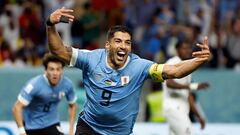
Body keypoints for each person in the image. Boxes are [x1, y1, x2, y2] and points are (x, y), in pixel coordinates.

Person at [46, 7, 210, 135]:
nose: (123, 46)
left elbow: (174, 71)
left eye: (127, 42)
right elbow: (59, 51)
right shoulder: (91, 59)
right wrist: (50, 25)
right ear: (108, 45)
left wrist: (199, 60)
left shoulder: (139, 66)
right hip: (90, 128)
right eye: (118, 41)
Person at [12, 53, 77, 135]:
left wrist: (71, 129)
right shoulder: (34, 85)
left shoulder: (67, 84)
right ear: (46, 71)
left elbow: (73, 105)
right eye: (52, 69)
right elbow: (17, 107)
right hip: (31, 126)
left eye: (58, 69)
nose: (55, 73)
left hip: (51, 124)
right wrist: (21, 131)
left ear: (62, 70)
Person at [162, 40, 209, 135]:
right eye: (184, 48)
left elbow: (188, 95)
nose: (187, 51)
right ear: (177, 50)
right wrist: (193, 86)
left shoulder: (186, 65)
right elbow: (169, 83)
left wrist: (198, 116)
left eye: (189, 48)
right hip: (174, 107)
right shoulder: (172, 62)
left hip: (182, 109)